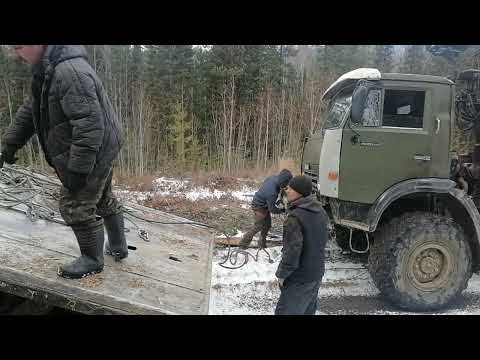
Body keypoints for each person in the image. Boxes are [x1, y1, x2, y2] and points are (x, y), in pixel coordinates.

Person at [0, 45, 127, 279]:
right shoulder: (48, 69)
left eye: (19, 47)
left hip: (94, 147)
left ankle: (92, 260)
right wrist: (9, 145)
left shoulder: (68, 72)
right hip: (102, 144)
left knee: (74, 203)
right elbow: (31, 110)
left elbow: (89, 125)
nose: (17, 54)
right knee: (102, 197)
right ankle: (118, 247)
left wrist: (78, 171)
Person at [275, 175, 328, 315]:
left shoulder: (295, 218)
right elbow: (322, 241)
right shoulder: (321, 211)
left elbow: (292, 252)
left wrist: (282, 275)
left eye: (290, 188)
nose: (287, 191)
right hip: (316, 274)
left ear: (299, 192)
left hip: (300, 278)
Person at [239, 169, 292, 249]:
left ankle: (262, 244)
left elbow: (280, 193)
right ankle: (243, 245)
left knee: (267, 225)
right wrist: (283, 210)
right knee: (258, 226)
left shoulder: (274, 178)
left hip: (265, 204)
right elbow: (272, 209)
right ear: (283, 182)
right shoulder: (272, 192)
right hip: (259, 206)